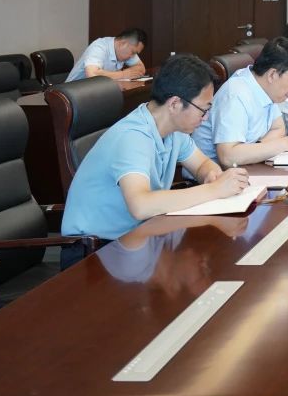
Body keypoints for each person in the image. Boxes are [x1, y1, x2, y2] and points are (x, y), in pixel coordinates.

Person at [60, 54, 250, 268]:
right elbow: (141, 205)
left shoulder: (173, 130)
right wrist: (214, 190)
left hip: (138, 240)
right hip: (95, 254)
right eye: (203, 109)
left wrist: (212, 175)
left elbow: (202, 165)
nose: (206, 117)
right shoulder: (133, 137)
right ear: (175, 104)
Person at [192, 37, 288, 166]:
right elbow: (228, 157)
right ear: (272, 75)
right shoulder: (236, 94)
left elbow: (278, 128)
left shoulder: (266, 88)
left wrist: (255, 151)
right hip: (212, 174)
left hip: (247, 169)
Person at [66, 28, 147, 82]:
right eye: (133, 52)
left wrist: (124, 74)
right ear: (123, 43)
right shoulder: (99, 46)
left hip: (98, 91)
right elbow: (92, 74)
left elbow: (141, 69)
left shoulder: (127, 49)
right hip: (71, 94)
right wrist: (123, 74)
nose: (133, 56)